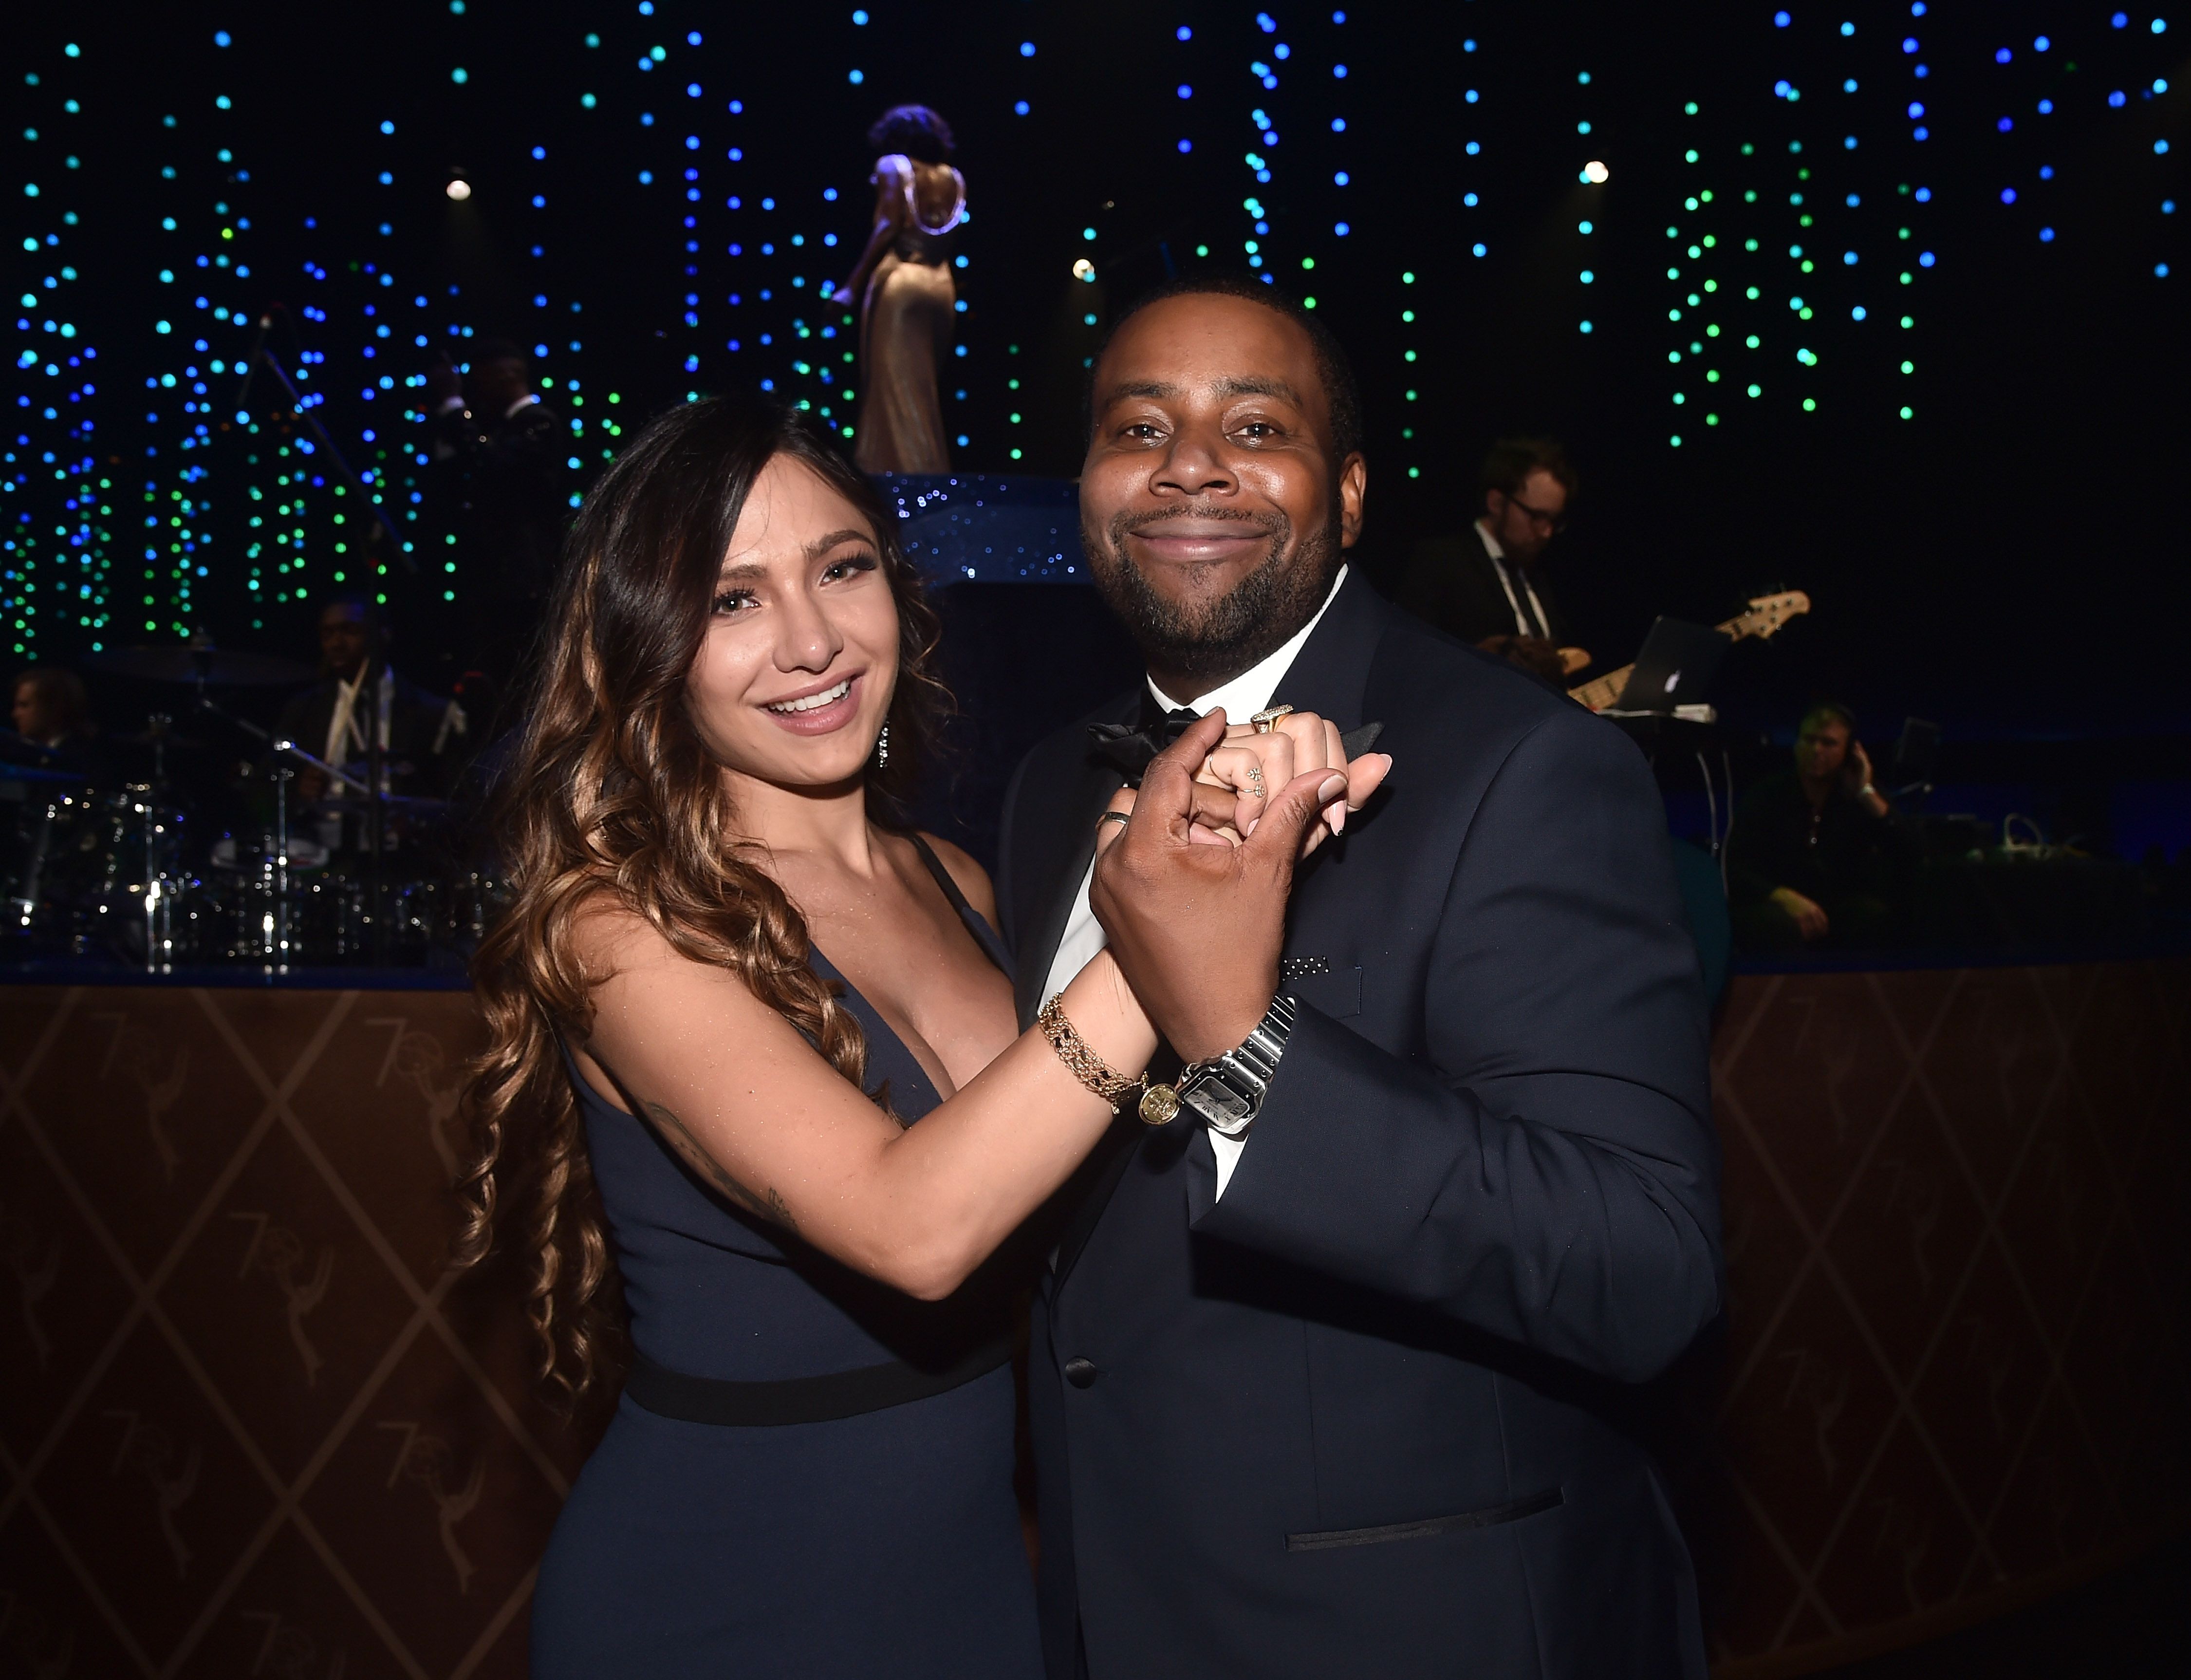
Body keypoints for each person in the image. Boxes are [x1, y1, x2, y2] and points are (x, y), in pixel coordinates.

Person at [454, 394, 1383, 1677]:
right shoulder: (623, 926)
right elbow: (918, 1231)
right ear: (648, 647)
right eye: (730, 600)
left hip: (967, 1582)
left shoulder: (958, 878)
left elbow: (1082, 1200)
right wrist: (1166, 915)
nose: (809, 641)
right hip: (723, 1593)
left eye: (841, 570)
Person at [997, 277, 1721, 1679]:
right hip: (1111, 1607)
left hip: (1417, 1624)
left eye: (1251, 423)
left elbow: (1646, 1268)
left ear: (1347, 492)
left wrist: (1239, 1045)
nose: (1186, 461)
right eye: (1135, 425)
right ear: (1086, 484)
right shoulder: (1043, 787)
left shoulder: (1522, 765)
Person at [831, 105, 965, 473]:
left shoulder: (893, 166)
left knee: (891, 390)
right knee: (922, 388)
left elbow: (889, 225)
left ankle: (896, 481)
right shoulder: (953, 178)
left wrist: (851, 287)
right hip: (941, 286)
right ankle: (928, 471)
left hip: (902, 284)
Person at [424, 338, 568, 670]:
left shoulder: (538, 423)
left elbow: (496, 465)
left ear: (507, 375)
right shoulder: (495, 429)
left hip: (525, 581)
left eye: (481, 380)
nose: (477, 391)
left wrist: (452, 406)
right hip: (493, 578)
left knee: (521, 669)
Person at [1397, 435, 1590, 684]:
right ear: (1497, 502)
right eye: (1536, 516)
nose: (1546, 532)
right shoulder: (1441, 562)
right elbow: (1409, 655)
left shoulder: (1539, 574)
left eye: (1554, 521)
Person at [1726, 702, 1912, 950]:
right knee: (1769, 926)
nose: (1816, 750)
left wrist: (1866, 793)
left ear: (1850, 752)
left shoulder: (1858, 798)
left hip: (1842, 907)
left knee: (1872, 918)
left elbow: (1910, 852)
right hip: (1782, 906)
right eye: (1809, 740)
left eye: (1829, 743)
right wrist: (1782, 896)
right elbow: (1736, 868)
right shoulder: (1768, 795)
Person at [272, 595, 467, 801]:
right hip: (321, 831)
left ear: (383, 635)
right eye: (328, 634)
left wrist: (416, 818)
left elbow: (455, 795)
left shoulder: (431, 713)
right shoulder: (305, 709)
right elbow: (267, 783)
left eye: (350, 631)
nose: (336, 644)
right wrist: (297, 787)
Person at [7, 666, 107, 781]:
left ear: (54, 708)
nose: (15, 714)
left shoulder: (76, 759)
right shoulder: (38, 756)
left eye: (24, 705)